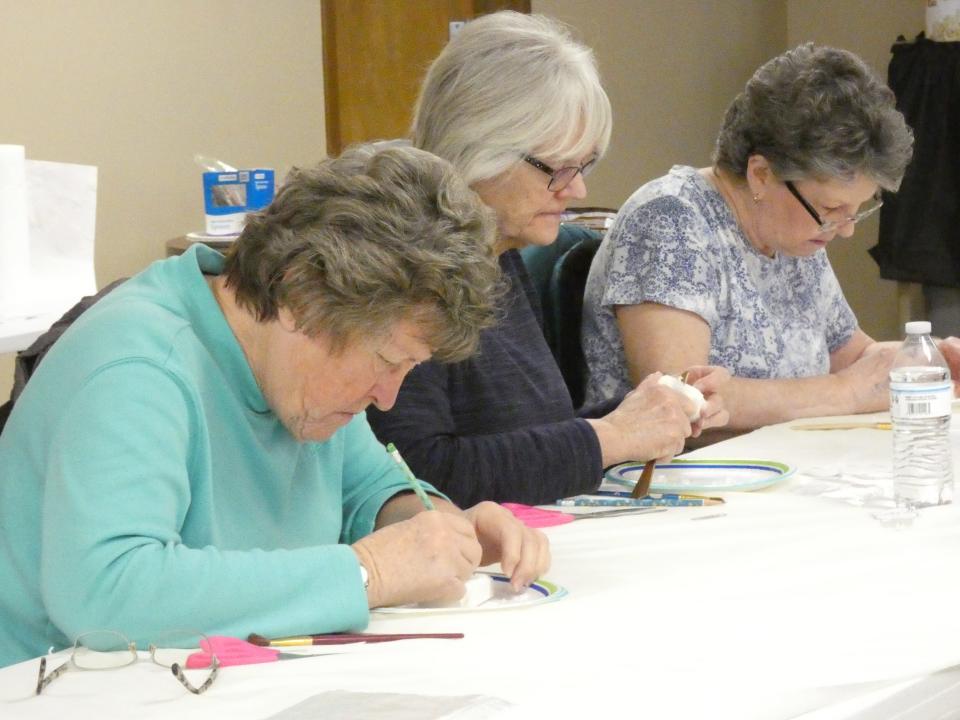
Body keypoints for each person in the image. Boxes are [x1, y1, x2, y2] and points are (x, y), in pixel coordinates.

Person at [0, 144, 550, 669]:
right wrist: (371, 572)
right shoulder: (137, 368)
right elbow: (105, 595)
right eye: (386, 360)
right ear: (301, 299)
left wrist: (438, 533)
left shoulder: (301, 370)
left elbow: (366, 489)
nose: (388, 396)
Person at [366, 11, 729, 508]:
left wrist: (650, 409)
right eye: (559, 169)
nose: (577, 189)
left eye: (582, 166)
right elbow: (419, 474)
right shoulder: (404, 267)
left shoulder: (500, 250)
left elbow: (527, 435)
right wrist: (614, 437)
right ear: (480, 146)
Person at [581, 43, 925, 432]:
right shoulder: (670, 220)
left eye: (857, 209)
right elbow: (683, 401)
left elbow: (855, 358)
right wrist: (844, 392)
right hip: (680, 481)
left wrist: (925, 361)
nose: (846, 229)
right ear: (761, 174)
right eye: (831, 210)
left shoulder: (793, 236)